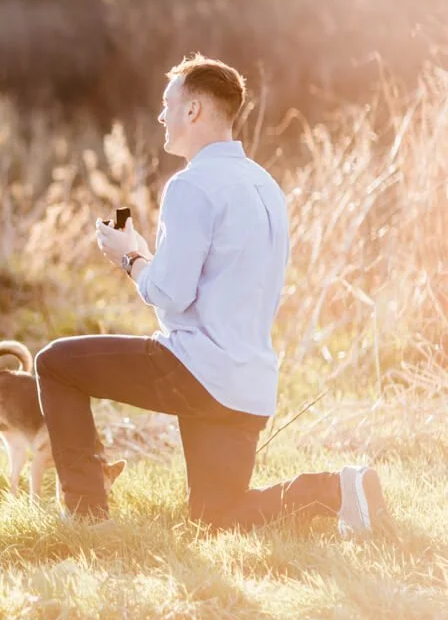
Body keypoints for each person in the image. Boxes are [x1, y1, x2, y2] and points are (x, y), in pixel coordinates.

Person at [35, 54, 389, 535]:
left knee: (56, 364)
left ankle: (86, 516)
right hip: (249, 383)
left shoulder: (192, 185)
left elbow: (169, 295)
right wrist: (143, 255)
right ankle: (342, 490)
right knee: (216, 516)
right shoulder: (265, 185)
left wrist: (127, 257)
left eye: (168, 104)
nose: (162, 116)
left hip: (195, 370)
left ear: (194, 110)